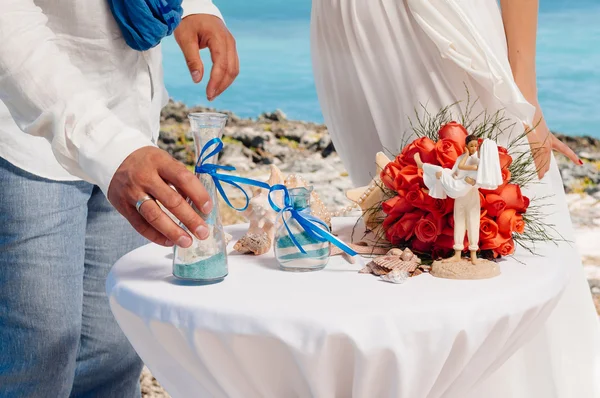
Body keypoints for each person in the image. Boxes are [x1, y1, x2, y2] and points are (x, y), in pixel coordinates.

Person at [311, 0, 600, 396]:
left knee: (487, 213)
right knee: (400, 232)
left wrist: (525, 100)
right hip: (347, 31)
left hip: (432, 29)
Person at [0, 0, 238, 396]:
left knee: (116, 352)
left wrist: (196, 6)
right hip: (27, 131)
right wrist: (110, 149)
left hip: (132, 119)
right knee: (39, 357)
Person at [416, 136, 503, 264]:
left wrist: (473, 182)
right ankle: (457, 253)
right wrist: (448, 177)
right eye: (471, 146)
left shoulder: (479, 162)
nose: (474, 148)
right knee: (459, 222)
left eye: (476, 146)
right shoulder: (461, 158)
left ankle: (473, 254)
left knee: (473, 222)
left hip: (471, 195)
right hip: (460, 195)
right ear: (466, 146)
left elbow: (481, 180)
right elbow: (455, 172)